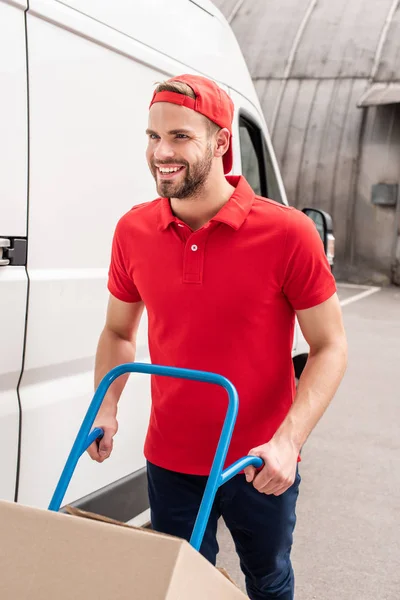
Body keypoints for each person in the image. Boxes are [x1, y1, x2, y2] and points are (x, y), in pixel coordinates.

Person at [88, 74, 347, 600]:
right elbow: (118, 331)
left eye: (180, 137)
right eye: (152, 136)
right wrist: (105, 407)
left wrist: (287, 442)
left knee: (268, 580)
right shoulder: (133, 231)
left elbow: (331, 346)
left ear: (221, 142)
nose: (161, 152)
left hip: (258, 463)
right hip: (171, 458)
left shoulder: (288, 233)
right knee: (182, 584)